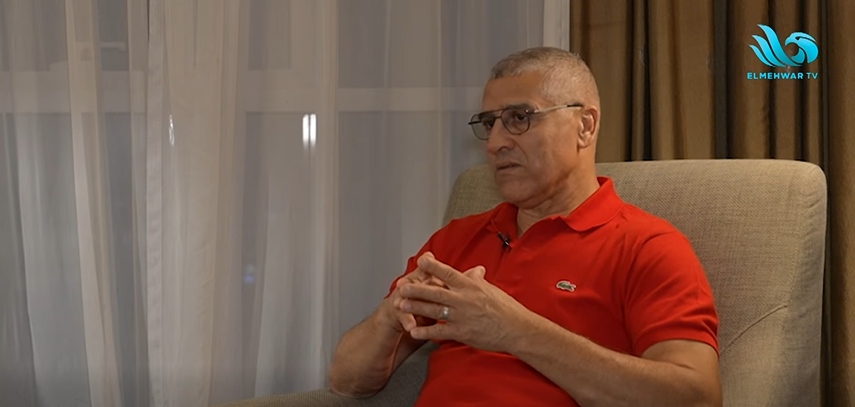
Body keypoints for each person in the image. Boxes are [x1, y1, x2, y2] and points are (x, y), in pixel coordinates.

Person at [327, 47, 721, 407]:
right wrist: (389, 315)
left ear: (585, 126)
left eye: (519, 118)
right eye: (489, 123)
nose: (494, 143)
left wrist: (512, 329)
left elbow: (696, 398)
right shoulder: (456, 241)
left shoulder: (647, 246)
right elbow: (347, 382)